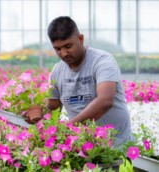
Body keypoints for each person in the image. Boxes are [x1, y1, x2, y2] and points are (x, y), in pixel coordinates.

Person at [46, 16, 134, 145]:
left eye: (68, 46)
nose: (64, 53)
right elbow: (53, 109)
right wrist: (34, 113)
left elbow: (105, 100)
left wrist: (70, 127)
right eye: (57, 49)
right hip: (81, 147)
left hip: (116, 147)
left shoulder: (102, 61)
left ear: (80, 39)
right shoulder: (57, 71)